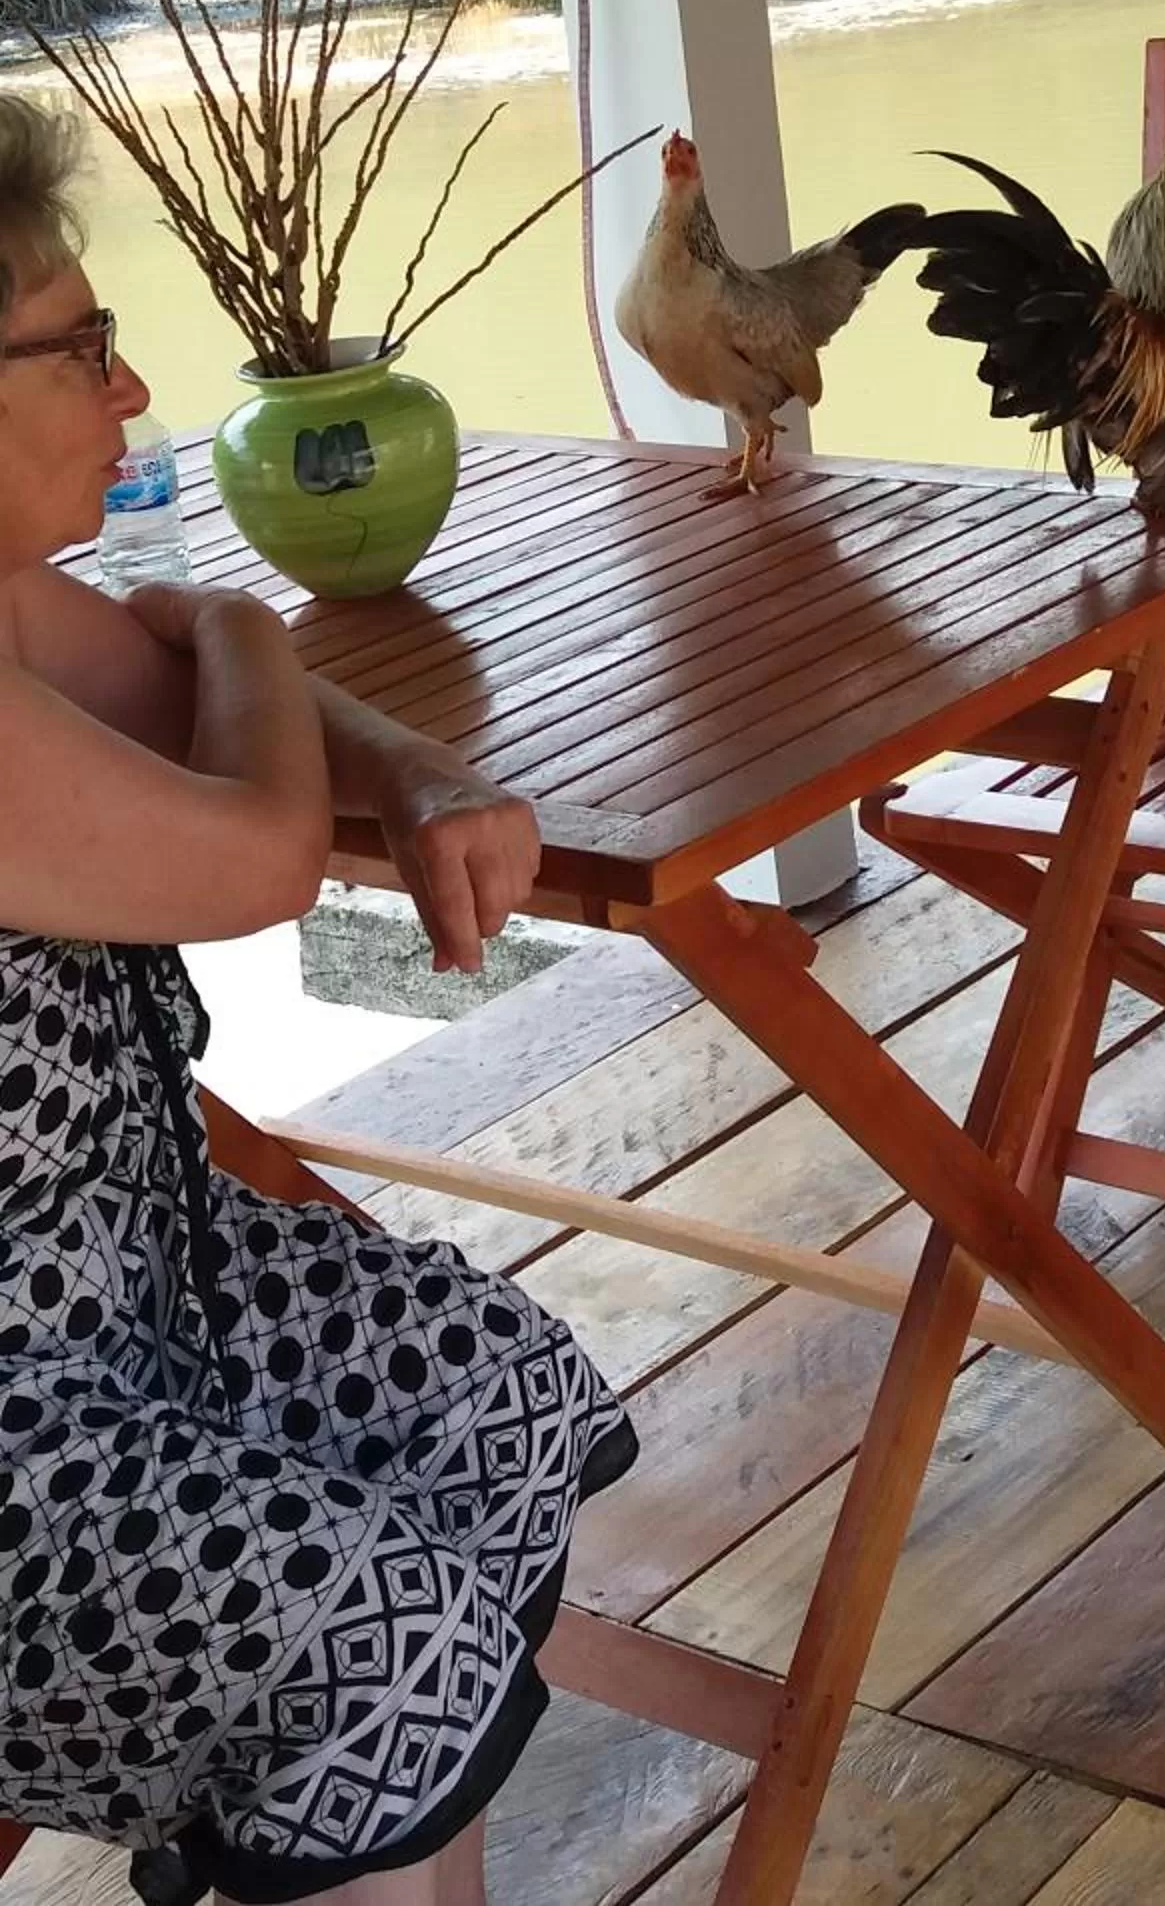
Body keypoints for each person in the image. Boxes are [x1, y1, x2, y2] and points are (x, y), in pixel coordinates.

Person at [0, 96, 636, 1906]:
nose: (131, 397)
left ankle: (280, 1849)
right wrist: (258, 634)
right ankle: (303, 1804)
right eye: (83, 346)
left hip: (129, 1282)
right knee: (377, 1635)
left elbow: (183, 682)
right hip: (20, 1407)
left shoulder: (14, 605)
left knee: (496, 1400)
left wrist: (420, 773)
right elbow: (257, 848)